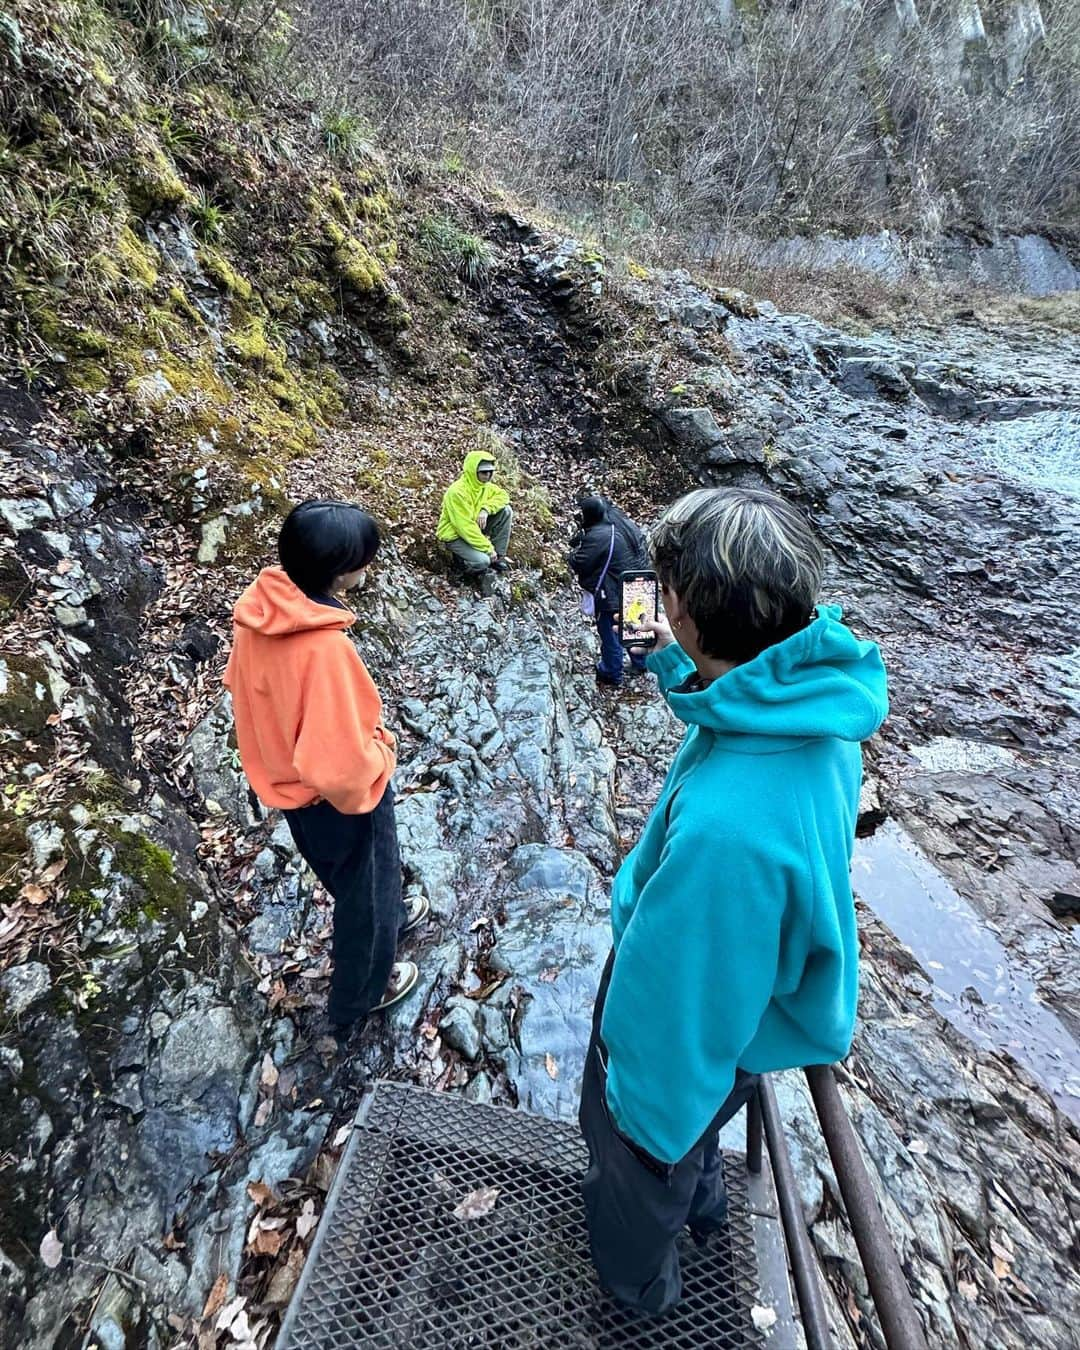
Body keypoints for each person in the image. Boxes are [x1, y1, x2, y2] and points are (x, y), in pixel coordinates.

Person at [578, 486, 888, 1315]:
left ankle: (642, 1294)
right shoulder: (808, 701)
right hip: (748, 1015)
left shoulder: (727, 835)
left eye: (666, 591)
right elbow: (719, 687)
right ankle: (707, 1204)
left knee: (639, 1186)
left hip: (689, 1019)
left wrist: (636, 1121)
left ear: (687, 615)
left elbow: (675, 1012)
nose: (657, 597)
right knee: (705, 1126)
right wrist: (677, 645)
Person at [223, 500, 428, 1039]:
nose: (368, 568)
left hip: (291, 791)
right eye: (365, 560)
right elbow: (340, 770)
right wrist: (382, 755)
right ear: (340, 572)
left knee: (355, 881)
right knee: (366, 886)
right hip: (336, 800)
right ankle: (359, 994)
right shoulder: (323, 647)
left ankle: (391, 915)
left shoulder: (260, 613)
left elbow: (238, 685)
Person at [568, 494, 650, 687]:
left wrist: (572, 552)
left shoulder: (599, 534)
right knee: (634, 626)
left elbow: (581, 563)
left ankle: (611, 672)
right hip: (640, 585)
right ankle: (641, 663)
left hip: (614, 591)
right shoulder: (625, 524)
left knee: (610, 631)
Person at [436, 450, 513, 588]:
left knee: (506, 511)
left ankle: (498, 558)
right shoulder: (457, 492)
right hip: (455, 536)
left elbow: (503, 496)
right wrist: (488, 548)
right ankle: (460, 570)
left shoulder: (485, 486)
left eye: (490, 472)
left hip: (474, 528)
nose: (488, 475)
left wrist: (486, 509)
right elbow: (464, 528)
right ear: (473, 470)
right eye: (484, 472)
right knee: (483, 561)